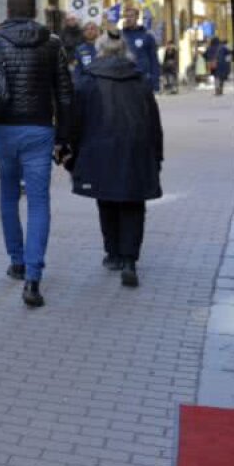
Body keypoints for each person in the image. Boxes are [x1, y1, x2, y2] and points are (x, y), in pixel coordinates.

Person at [0, 0, 72, 308]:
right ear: (35, 10)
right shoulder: (52, 44)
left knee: (9, 195)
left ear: (7, 12)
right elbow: (65, 94)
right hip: (40, 128)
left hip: (2, 130)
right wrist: (63, 138)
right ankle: (34, 277)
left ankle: (17, 261)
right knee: (39, 201)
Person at [66, 31, 163, 288]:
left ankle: (113, 253)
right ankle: (130, 259)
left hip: (100, 147)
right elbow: (153, 121)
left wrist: (71, 153)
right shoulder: (139, 80)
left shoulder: (88, 80)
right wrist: (157, 155)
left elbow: (76, 120)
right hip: (136, 148)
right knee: (133, 203)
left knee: (106, 199)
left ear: (100, 50)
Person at [121, 5, 160, 93]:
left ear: (137, 17)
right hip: (125, 79)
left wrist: (155, 82)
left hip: (143, 79)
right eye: (126, 16)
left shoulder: (147, 36)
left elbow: (154, 60)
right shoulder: (120, 36)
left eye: (131, 16)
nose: (128, 19)